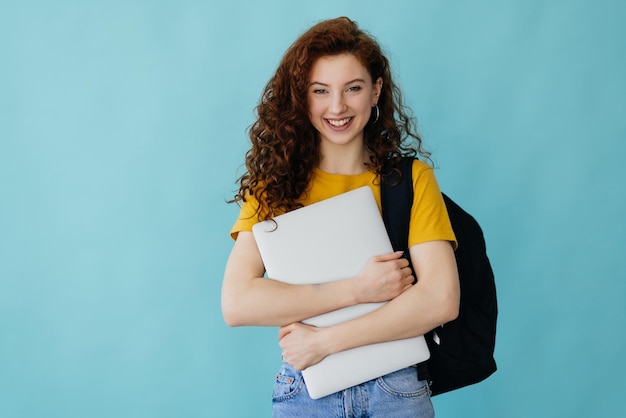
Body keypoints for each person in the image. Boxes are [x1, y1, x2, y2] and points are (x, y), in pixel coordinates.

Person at [222, 16, 460, 418]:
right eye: (320, 91)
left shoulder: (410, 180)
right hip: (306, 390)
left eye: (353, 88)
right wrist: (359, 289)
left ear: (376, 91)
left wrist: (325, 341)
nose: (337, 107)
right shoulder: (276, 185)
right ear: (303, 97)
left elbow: (441, 299)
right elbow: (237, 302)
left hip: (395, 388)